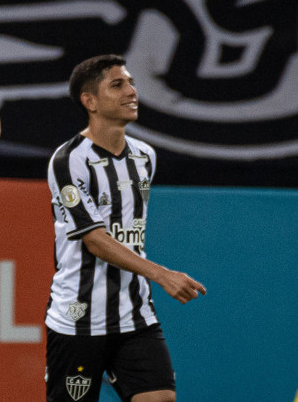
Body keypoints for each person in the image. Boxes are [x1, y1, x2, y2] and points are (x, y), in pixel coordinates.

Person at [45, 54, 207, 402]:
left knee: (160, 398)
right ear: (89, 101)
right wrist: (162, 275)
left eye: (131, 82)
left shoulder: (145, 156)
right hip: (79, 319)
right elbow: (96, 242)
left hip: (135, 315)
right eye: (117, 85)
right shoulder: (68, 160)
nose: (132, 91)